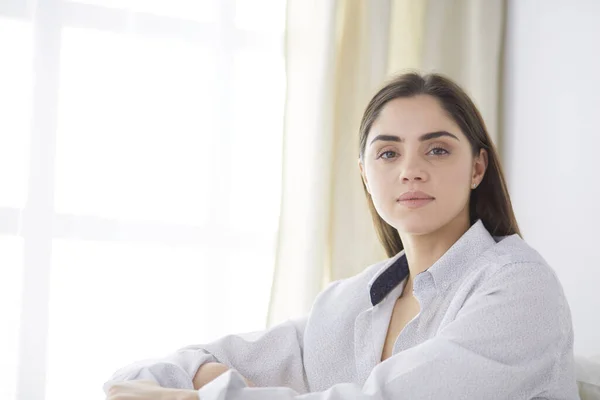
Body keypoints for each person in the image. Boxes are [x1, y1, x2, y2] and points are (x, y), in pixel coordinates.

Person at [104, 72, 580, 400]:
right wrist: (210, 377)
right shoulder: (346, 304)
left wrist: (218, 391)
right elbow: (144, 377)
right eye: (388, 154)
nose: (411, 171)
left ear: (477, 167)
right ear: (365, 175)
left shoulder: (520, 289)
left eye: (436, 150)